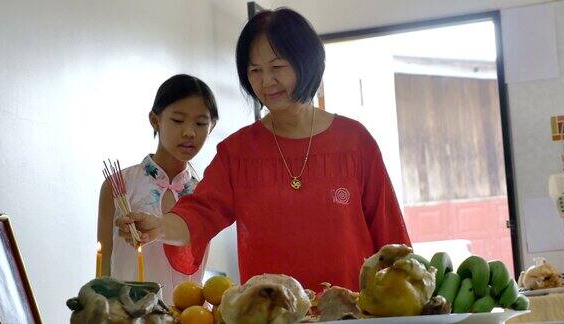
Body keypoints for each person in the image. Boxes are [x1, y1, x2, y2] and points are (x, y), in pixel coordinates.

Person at [117, 8, 410, 292]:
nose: (266, 81)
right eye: (255, 70)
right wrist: (158, 226)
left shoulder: (354, 141)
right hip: (268, 312)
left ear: (306, 62)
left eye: (277, 67)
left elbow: (390, 235)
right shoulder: (237, 152)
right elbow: (199, 213)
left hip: (354, 311)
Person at [98, 74, 218, 303]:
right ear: (155, 120)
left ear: (211, 127)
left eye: (201, 123)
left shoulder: (205, 194)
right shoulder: (119, 185)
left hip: (190, 317)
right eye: (178, 120)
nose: (189, 132)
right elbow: (103, 266)